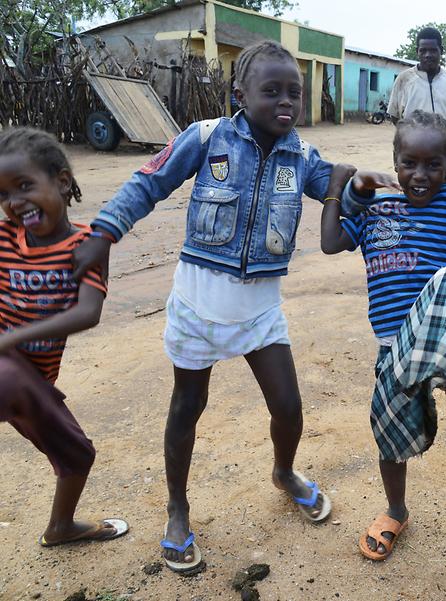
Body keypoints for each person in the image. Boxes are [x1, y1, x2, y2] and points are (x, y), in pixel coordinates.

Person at [72, 41, 339, 573]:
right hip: (197, 305)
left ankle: (284, 473)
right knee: (186, 408)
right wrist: (104, 232)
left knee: (288, 408)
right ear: (239, 94)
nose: (285, 101)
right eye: (271, 91)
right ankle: (178, 508)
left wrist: (354, 188)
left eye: (294, 92)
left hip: (260, 311)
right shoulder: (207, 137)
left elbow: (337, 194)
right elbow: (148, 182)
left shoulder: (303, 156)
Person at [320, 109, 446, 562]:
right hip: (395, 347)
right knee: (389, 437)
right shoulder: (374, 205)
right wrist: (340, 191)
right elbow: (331, 242)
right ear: (395, 161)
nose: (421, 175)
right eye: (410, 163)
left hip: (442, 336)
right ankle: (395, 510)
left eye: (434, 165)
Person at [0, 127, 130, 548]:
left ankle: (60, 528)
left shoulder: (88, 246)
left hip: (31, 378)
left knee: (77, 455)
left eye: (23, 186)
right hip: (9, 374)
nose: (14, 204)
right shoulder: (4, 239)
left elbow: (88, 312)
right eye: (3, 195)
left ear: (61, 180)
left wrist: (11, 338)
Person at [387, 27, 446, 127]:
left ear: (441, 51)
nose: (428, 55)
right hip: (412, 142)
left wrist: (441, 133)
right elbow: (395, 116)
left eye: (433, 50)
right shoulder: (404, 79)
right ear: (417, 51)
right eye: (423, 51)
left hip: (443, 142)